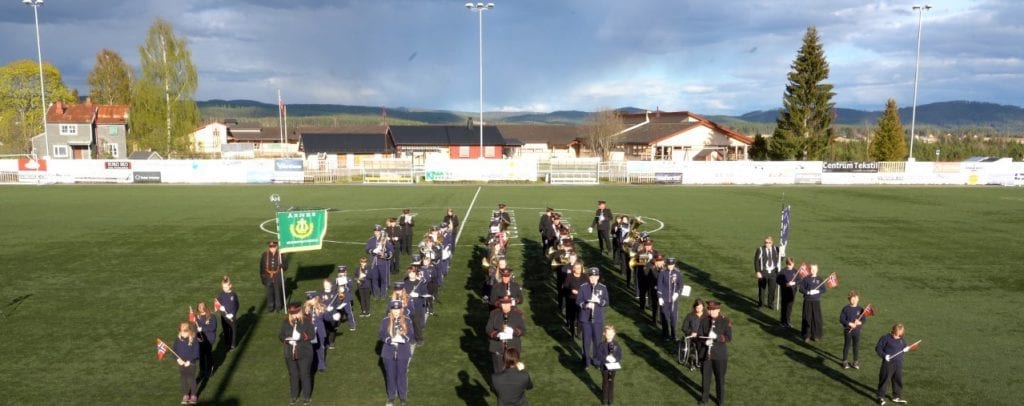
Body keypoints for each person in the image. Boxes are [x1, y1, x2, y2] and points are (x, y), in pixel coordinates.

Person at [380, 300, 415, 406]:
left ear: (401, 309)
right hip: (388, 352)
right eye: (394, 309)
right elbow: (381, 334)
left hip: (402, 352)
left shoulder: (407, 320)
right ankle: (391, 397)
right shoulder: (385, 320)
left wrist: (403, 339)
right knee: (390, 375)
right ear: (391, 310)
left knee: (402, 375)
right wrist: (389, 340)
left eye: (398, 309)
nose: (396, 311)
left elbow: (411, 334)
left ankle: (403, 397)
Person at [279, 302, 315, 406]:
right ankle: (294, 396)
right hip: (289, 353)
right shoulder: (286, 322)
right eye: (292, 313)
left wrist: (301, 337)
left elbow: (312, 335)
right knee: (293, 375)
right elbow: (281, 335)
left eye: (296, 313)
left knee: (305, 375)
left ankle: (306, 397)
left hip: (304, 352)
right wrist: (287, 340)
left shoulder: (307, 321)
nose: (294, 315)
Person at [698, 301, 732, 406]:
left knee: (720, 379)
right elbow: (699, 336)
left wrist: (717, 337)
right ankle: (704, 399)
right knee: (705, 379)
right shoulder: (704, 320)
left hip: (720, 356)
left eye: (713, 309)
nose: (711, 311)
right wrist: (705, 342)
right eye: (709, 309)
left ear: (718, 309)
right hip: (706, 355)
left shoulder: (725, 321)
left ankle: (720, 401)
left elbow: (728, 338)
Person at [577, 267, 609, 368]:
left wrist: (599, 301)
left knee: (597, 342)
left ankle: (597, 361)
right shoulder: (583, 287)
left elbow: (606, 302)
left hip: (598, 319)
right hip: (586, 319)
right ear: (588, 277)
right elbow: (578, 301)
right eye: (591, 276)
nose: (593, 278)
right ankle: (586, 361)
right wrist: (586, 305)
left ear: (598, 277)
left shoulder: (603, 288)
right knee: (586, 342)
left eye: (595, 276)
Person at [486, 296, 527, 373]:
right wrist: (497, 335)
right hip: (497, 348)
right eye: (503, 304)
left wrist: (513, 331)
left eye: (507, 304)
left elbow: (523, 330)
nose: (505, 306)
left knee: (514, 371)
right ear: (500, 304)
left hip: (513, 348)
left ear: (510, 304)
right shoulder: (494, 314)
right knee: (498, 371)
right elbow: (488, 329)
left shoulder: (517, 314)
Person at [876, 323, 910, 405]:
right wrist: (884, 356)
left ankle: (896, 396)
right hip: (888, 363)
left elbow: (904, 347)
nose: (898, 336)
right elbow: (878, 348)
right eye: (896, 334)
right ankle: (880, 397)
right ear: (893, 331)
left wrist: (907, 349)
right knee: (884, 379)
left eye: (900, 335)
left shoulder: (902, 339)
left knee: (897, 380)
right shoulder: (885, 338)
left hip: (898, 363)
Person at [594, 325, 622, 406]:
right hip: (605, 368)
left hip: (613, 368)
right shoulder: (601, 345)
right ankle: (605, 401)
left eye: (611, 334)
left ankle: (611, 400)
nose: (609, 336)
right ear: (604, 334)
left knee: (611, 383)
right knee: (605, 383)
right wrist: (606, 358)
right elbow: (598, 356)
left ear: (614, 334)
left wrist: (615, 359)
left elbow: (619, 355)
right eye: (608, 334)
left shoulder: (616, 344)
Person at [173, 322, 200, 405]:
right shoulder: (178, 340)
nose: (183, 333)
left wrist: (190, 361)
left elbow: (196, 352)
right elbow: (174, 351)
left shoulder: (194, 340)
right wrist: (177, 359)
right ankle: (185, 394)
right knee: (183, 378)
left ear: (189, 331)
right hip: (181, 363)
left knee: (191, 379)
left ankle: (194, 395)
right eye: (181, 331)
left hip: (190, 363)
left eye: (185, 332)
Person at [657, 257, 684, 340]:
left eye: (672, 265)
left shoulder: (678, 273)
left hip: (673, 300)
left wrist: (677, 293)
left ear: (674, 264)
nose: (670, 266)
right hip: (664, 299)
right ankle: (665, 335)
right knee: (665, 318)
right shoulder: (662, 272)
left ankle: (674, 335)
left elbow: (680, 285)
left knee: (674, 318)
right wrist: (660, 297)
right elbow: (659, 285)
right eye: (669, 265)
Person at [799, 264, 827, 342]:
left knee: (816, 318)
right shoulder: (806, 279)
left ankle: (815, 335)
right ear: (809, 270)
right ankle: (806, 335)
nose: (813, 270)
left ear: (817, 270)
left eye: (814, 269)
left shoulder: (820, 279)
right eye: (811, 269)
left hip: (816, 301)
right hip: (807, 300)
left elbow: (824, 289)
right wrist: (808, 292)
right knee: (807, 317)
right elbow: (801, 289)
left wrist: (818, 291)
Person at [366, 225, 395, 300]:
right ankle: (376, 294)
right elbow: (367, 249)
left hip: (383, 262)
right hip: (373, 262)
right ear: (374, 231)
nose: (377, 232)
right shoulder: (371, 240)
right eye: (375, 231)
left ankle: (383, 295)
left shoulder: (385, 240)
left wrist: (385, 255)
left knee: (383, 279)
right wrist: (373, 251)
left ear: (380, 231)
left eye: (378, 231)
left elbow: (391, 250)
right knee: (374, 279)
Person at [840, 290, 867, 369]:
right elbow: (841, 319)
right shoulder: (845, 309)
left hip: (857, 331)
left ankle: (855, 361)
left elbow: (864, 319)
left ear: (858, 299)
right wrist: (849, 323)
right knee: (847, 345)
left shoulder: (861, 309)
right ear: (849, 299)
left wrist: (859, 322)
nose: (854, 300)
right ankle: (844, 361)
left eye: (855, 298)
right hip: (848, 330)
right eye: (852, 298)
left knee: (856, 346)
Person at [561, 261, 587, 338]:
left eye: (580, 268)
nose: (578, 269)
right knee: (572, 317)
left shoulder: (585, 277)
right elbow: (565, 288)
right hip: (571, 300)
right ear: (573, 269)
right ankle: (572, 332)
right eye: (576, 268)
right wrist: (571, 290)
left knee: (580, 317)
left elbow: (588, 287)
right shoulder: (569, 277)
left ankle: (579, 333)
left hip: (582, 300)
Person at [260, 241, 287, 312]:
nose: (272, 248)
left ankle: (278, 306)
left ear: (276, 247)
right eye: (270, 247)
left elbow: (286, 267)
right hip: (268, 276)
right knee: (269, 292)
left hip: (277, 275)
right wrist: (263, 278)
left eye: (273, 247)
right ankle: (270, 307)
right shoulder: (264, 255)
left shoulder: (281, 255)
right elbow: (262, 267)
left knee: (277, 292)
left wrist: (282, 265)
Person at [754, 236, 780, 309]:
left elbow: (781, 258)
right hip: (763, 272)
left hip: (773, 272)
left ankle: (770, 303)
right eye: (766, 242)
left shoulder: (776, 249)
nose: (767, 244)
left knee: (772, 289)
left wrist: (782, 252)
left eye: (769, 242)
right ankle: (761, 304)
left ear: (772, 242)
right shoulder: (760, 249)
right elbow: (756, 261)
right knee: (762, 289)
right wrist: (757, 271)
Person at [681, 299, 707, 371]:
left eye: (700, 307)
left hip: (702, 336)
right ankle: (693, 361)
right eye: (697, 307)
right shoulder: (690, 316)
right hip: (692, 337)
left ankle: (702, 360)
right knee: (695, 345)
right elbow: (684, 327)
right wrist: (691, 332)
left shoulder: (706, 316)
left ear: (703, 307)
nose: (699, 309)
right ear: (694, 307)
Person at [305, 295, 328, 373]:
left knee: (320, 348)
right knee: (311, 349)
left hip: (320, 331)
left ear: (315, 299)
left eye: (312, 299)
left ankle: (321, 365)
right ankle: (313, 365)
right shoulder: (305, 309)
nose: (310, 301)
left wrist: (331, 314)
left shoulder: (321, 307)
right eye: (309, 299)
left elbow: (327, 318)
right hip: (310, 332)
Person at [194, 302, 217, 379]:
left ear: (205, 307)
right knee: (201, 355)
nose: (201, 308)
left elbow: (213, 327)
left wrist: (202, 329)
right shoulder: (197, 317)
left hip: (209, 339)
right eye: (199, 306)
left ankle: (210, 370)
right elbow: (195, 328)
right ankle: (202, 371)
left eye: (202, 306)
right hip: (200, 339)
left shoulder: (211, 316)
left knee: (208, 355)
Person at [216, 276, 239, 350]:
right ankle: (227, 343)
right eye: (223, 287)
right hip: (224, 316)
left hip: (231, 317)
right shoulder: (221, 294)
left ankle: (233, 344)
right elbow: (217, 302)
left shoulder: (233, 295)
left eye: (226, 287)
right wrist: (220, 308)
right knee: (226, 330)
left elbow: (236, 305)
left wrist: (232, 314)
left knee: (233, 330)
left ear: (230, 285)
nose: (224, 289)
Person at [332, 266, 357, 332]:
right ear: (338, 273)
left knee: (349, 312)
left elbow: (351, 288)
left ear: (345, 272)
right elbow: (333, 289)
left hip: (346, 298)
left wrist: (345, 287)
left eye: (343, 272)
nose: (341, 274)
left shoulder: (348, 279)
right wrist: (338, 289)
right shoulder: (336, 280)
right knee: (336, 312)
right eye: (340, 273)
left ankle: (352, 324)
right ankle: (336, 324)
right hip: (338, 299)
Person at [776, 258, 799, 328]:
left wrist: (794, 283)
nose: (790, 266)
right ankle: (783, 322)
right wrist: (786, 284)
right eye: (789, 265)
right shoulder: (782, 271)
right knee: (784, 306)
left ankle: (788, 321)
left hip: (792, 292)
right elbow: (778, 280)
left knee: (790, 307)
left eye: (791, 265)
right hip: (784, 292)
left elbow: (800, 280)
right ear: (786, 264)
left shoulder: (796, 271)